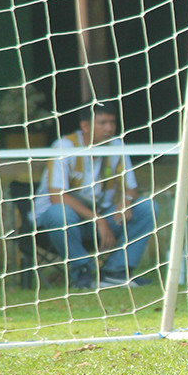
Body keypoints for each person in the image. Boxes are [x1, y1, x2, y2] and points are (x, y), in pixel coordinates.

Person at [33, 102, 157, 289]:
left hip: (99, 219)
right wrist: (99, 220)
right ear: (85, 126)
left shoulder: (117, 146)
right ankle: (83, 272)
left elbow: (131, 188)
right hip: (60, 224)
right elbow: (57, 196)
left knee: (148, 207)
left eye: (112, 123)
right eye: (103, 123)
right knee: (59, 212)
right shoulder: (64, 146)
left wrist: (127, 201)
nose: (109, 128)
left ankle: (116, 272)